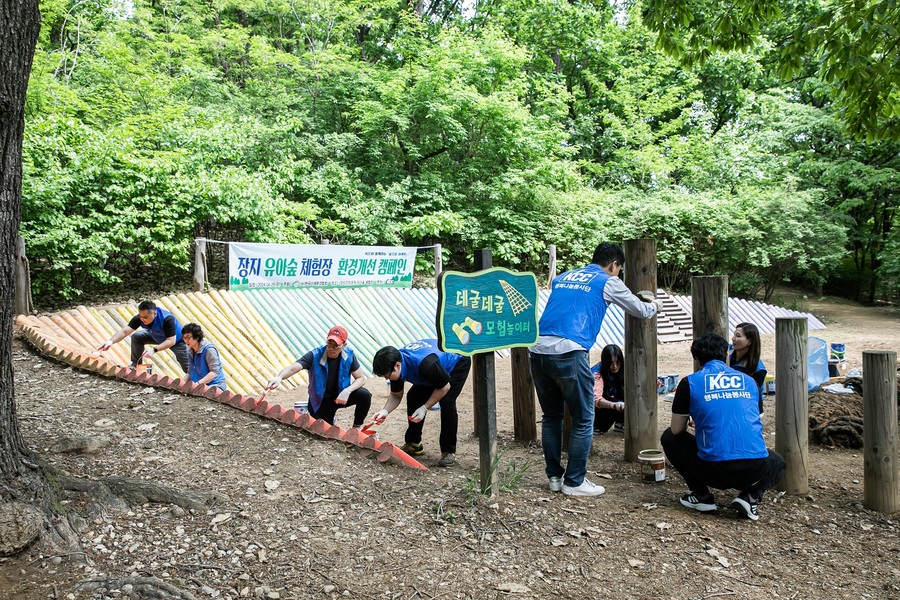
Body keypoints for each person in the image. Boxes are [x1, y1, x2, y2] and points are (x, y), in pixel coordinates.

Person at [530, 242, 661, 497]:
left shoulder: (563, 277)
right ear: (613, 264)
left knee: (551, 417)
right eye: (618, 270)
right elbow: (641, 310)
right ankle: (575, 481)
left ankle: (555, 477)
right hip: (569, 350)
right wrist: (656, 305)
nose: (618, 274)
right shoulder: (608, 281)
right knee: (582, 418)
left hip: (537, 351)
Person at [661, 333, 785, 521]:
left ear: (696, 358)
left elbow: (677, 430)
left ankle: (701, 495)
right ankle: (750, 497)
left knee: (669, 437)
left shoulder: (690, 383)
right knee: (778, 461)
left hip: (713, 470)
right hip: (754, 468)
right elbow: (755, 418)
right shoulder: (749, 381)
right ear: (726, 354)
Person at [371, 339, 471, 467]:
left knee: (447, 401)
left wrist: (425, 407)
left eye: (387, 375)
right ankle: (414, 444)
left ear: (397, 365)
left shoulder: (425, 364)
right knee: (413, 396)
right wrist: (384, 411)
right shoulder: (395, 366)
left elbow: (444, 387)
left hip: (457, 362)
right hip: (433, 370)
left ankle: (448, 451)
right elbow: (396, 395)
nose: (386, 378)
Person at [265, 326, 371, 428]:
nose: (331, 349)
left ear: (344, 345)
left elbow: (360, 378)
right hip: (321, 400)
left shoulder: (349, 355)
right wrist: (279, 377)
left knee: (365, 395)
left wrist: (347, 391)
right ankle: (322, 416)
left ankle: (356, 427)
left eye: (336, 346)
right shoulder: (315, 355)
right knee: (323, 430)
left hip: (341, 395)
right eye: (329, 344)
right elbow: (293, 368)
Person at [98, 300, 189, 373]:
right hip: (157, 335)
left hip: (177, 340)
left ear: (155, 314)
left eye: (145, 317)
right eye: (141, 317)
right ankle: (135, 365)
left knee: (188, 368)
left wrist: (154, 350)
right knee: (137, 336)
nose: (143, 319)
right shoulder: (140, 318)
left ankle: (198, 384)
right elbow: (125, 332)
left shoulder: (167, 319)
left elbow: (171, 341)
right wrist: (110, 342)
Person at [729, 322, 767, 414]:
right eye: (734, 334)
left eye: (738, 336)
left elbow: (754, 395)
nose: (733, 338)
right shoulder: (727, 351)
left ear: (749, 341)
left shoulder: (758, 369)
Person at [181, 322, 227, 390]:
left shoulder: (209, 350)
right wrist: (181, 384)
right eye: (184, 338)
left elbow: (214, 372)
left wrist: (198, 384)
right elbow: (190, 372)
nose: (186, 341)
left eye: (188, 337)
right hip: (198, 385)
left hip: (215, 385)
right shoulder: (189, 350)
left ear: (196, 337)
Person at [592, 344, 625, 434]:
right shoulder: (597, 374)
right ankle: (596, 426)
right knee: (618, 401)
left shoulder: (624, 369)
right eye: (611, 363)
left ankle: (621, 423)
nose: (614, 366)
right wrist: (613, 405)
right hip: (595, 409)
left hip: (612, 399)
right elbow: (595, 400)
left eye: (618, 363)